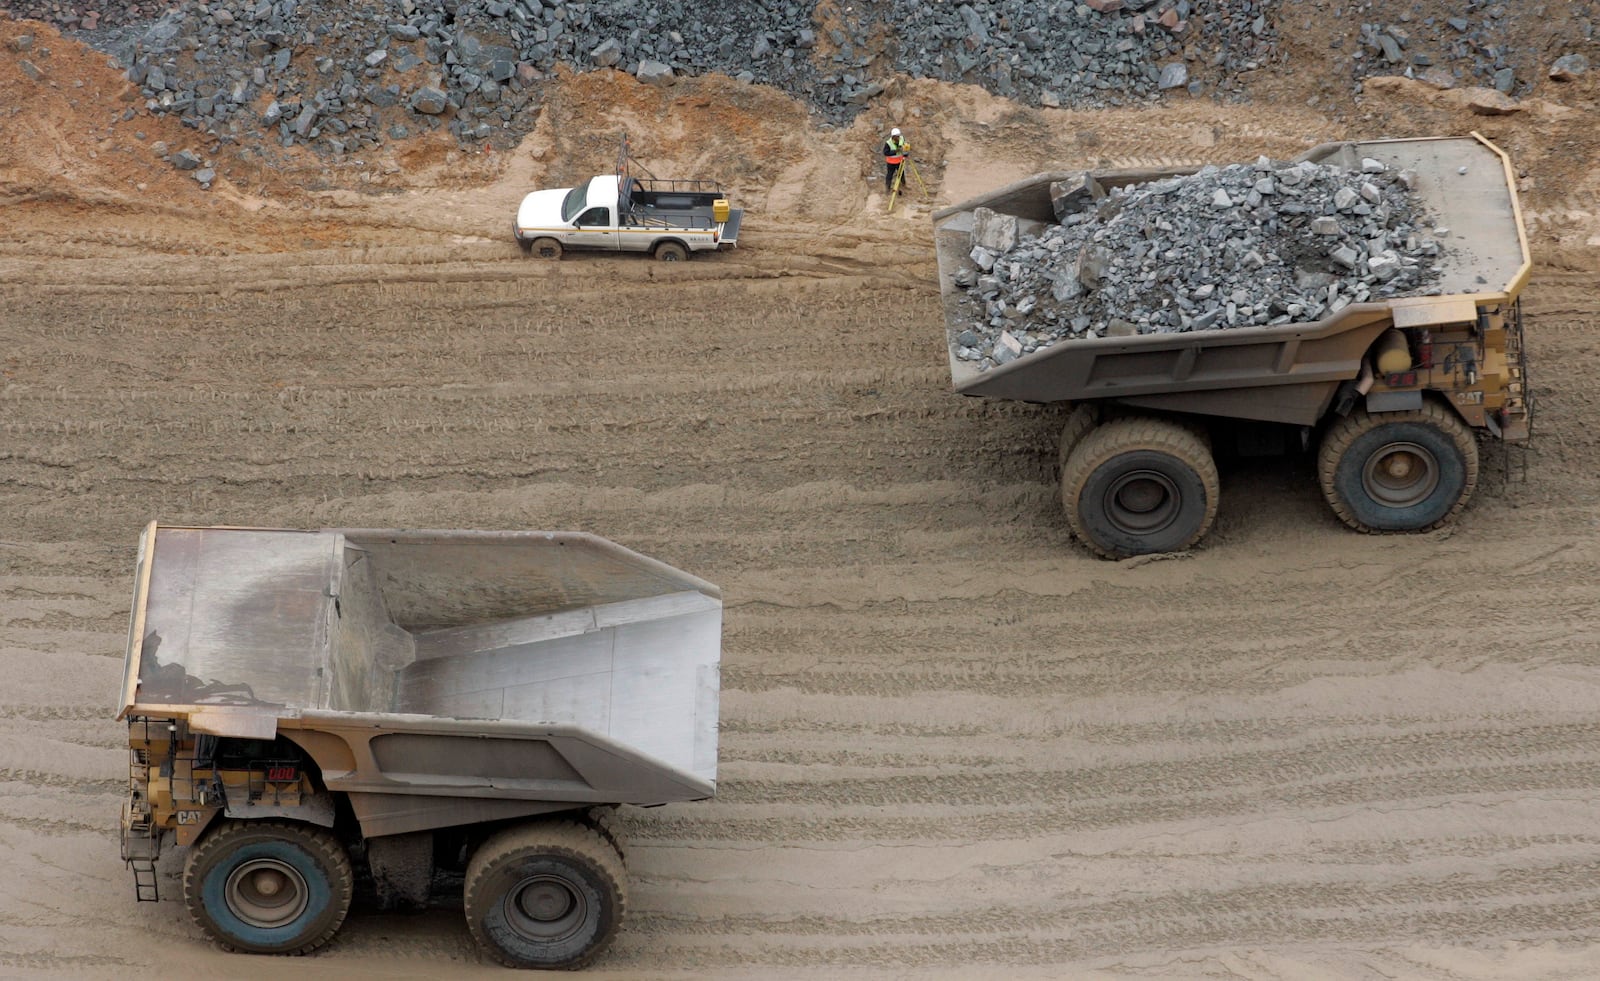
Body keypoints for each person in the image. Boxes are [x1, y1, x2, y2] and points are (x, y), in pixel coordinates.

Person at [882, 127, 909, 193]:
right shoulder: (888, 143)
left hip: (900, 161)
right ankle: (887, 188)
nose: (898, 138)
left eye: (898, 136)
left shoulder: (901, 139)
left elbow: (904, 146)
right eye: (897, 137)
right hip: (891, 162)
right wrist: (895, 151)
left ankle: (903, 185)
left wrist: (905, 152)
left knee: (901, 174)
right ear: (893, 137)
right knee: (890, 175)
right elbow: (885, 153)